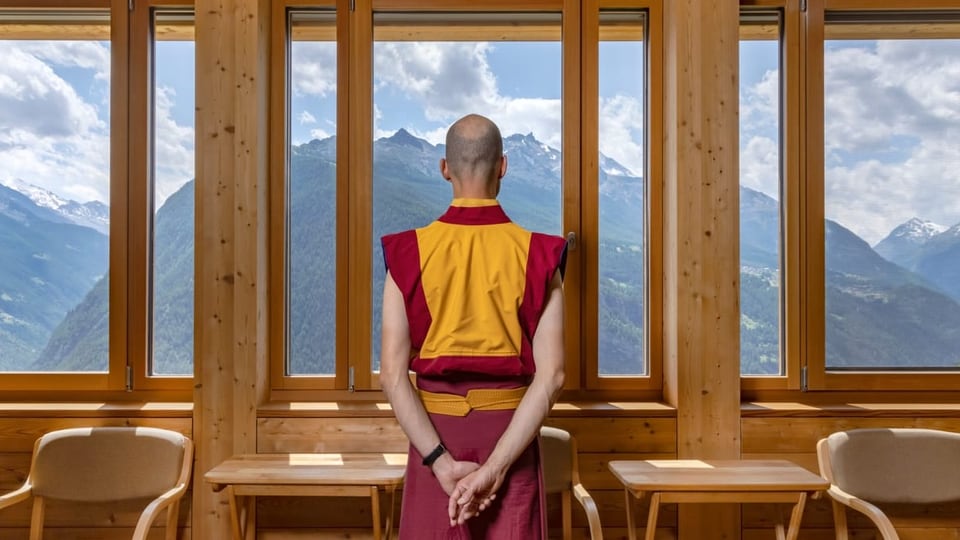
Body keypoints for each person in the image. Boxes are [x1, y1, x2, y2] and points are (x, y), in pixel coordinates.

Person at [379, 113, 567, 539]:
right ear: (502, 166)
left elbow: (392, 376)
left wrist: (441, 463)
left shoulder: (406, 254)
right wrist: (496, 468)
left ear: (444, 168)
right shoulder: (541, 255)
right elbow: (552, 376)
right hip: (510, 441)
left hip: (433, 443)